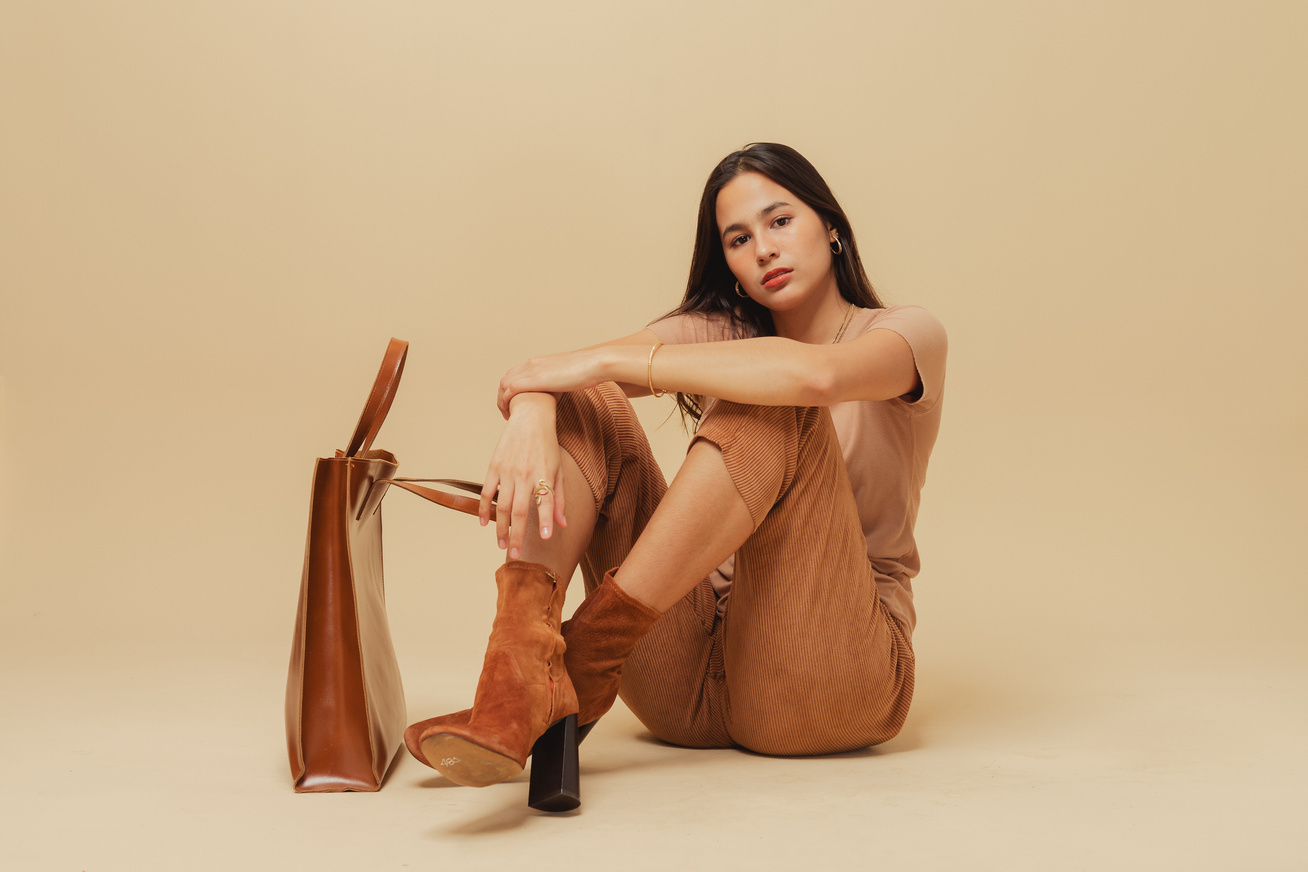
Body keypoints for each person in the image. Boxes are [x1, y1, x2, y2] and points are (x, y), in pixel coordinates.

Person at [403, 142, 947, 811]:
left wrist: (598, 366)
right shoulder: (719, 330)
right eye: (739, 239)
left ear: (831, 227)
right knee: (588, 401)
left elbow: (816, 377)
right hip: (685, 679)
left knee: (774, 397)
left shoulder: (908, 333)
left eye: (780, 221)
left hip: (832, 675)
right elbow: (554, 374)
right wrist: (536, 407)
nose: (765, 250)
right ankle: (519, 673)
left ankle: (582, 657)